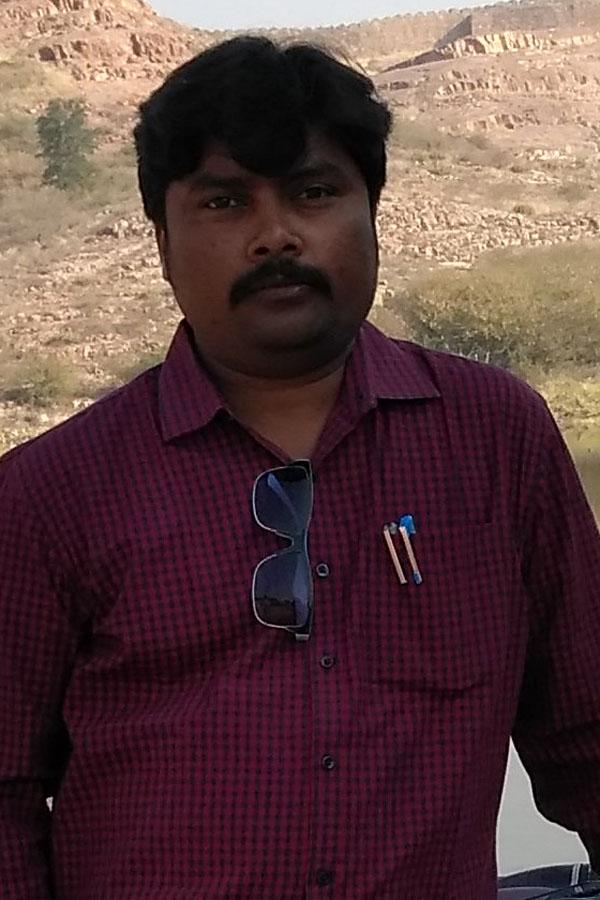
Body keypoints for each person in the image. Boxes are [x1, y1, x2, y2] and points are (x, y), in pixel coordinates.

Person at [1, 35, 599, 900]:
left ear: (373, 213)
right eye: (224, 202)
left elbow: (587, 734)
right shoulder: (50, 492)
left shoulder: (497, 440)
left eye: (314, 193)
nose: (274, 235)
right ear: (162, 242)